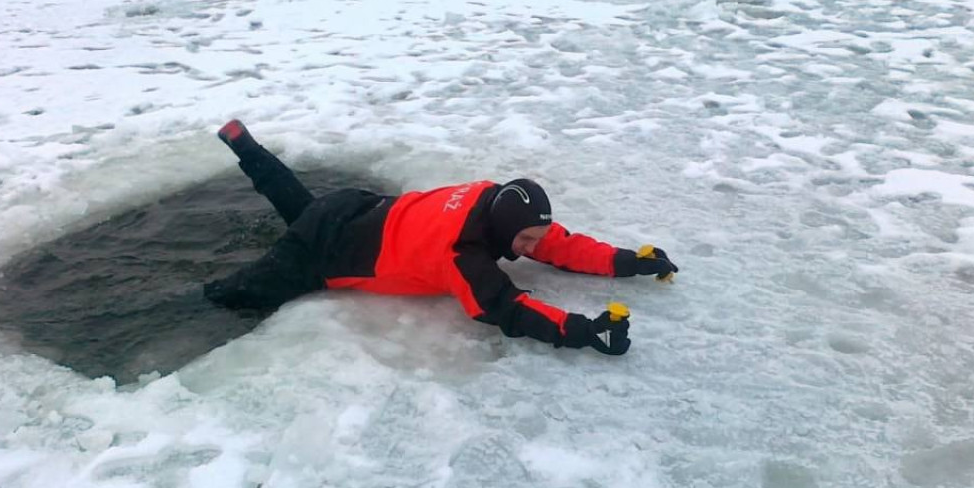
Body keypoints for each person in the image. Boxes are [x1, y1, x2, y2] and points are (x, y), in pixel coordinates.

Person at [204, 120, 679, 356]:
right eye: (526, 242)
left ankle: (244, 144)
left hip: (354, 206)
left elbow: (557, 242)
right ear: (506, 228)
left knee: (301, 207)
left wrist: (628, 260)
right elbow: (503, 308)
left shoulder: (494, 199)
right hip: (327, 251)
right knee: (231, 295)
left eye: (534, 239)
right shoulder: (462, 254)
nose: (533, 249)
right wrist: (582, 330)